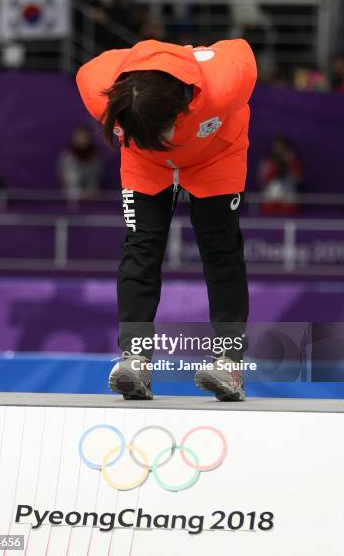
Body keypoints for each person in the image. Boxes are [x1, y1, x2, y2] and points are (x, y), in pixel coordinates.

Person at [76, 38, 257, 401]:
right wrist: (145, 140)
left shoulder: (226, 81)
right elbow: (87, 74)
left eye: (160, 131)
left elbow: (240, 48)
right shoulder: (98, 87)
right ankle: (136, 358)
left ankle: (229, 363)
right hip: (145, 164)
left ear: (185, 104)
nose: (160, 139)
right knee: (141, 248)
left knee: (221, 250)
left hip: (216, 153)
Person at [58, 125, 102, 201]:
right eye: (79, 138)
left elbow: (95, 180)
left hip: (91, 199)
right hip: (71, 198)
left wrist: (90, 194)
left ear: (89, 139)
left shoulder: (95, 158)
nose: (81, 141)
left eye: (84, 138)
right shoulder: (67, 157)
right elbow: (66, 180)